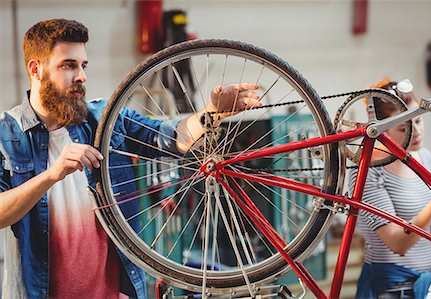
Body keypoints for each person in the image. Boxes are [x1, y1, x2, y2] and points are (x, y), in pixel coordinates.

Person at [0, 19, 261, 299]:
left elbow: (168, 137)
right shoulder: (6, 135)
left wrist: (213, 112)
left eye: (83, 66)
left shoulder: (104, 119)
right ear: (36, 69)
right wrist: (52, 175)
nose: (81, 76)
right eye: (68, 65)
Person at [349, 78, 431, 298]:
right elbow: (398, 243)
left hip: (429, 286)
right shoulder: (367, 169)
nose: (417, 133)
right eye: (404, 128)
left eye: (419, 121)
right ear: (379, 130)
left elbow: (430, 230)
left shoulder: (424, 157)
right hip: (392, 290)